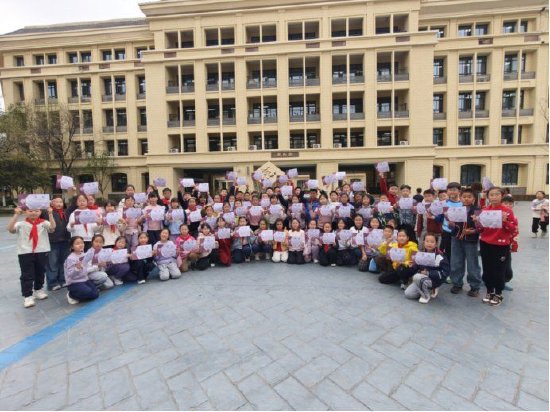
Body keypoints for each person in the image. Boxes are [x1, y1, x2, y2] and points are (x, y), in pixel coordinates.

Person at [474, 186, 518, 306]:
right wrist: (477, 222)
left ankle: (498, 293)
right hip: (485, 243)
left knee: (499, 269)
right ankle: (489, 291)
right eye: (491, 195)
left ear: (502, 196)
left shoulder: (507, 211)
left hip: (501, 245)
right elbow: (480, 229)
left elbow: (513, 229)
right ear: (488, 197)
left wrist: (505, 221)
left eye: (497, 194)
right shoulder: (484, 210)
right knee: (487, 268)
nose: (494, 197)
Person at [8, 205, 56, 308]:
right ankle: (28, 296)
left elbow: (52, 228)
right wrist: (16, 214)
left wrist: (50, 214)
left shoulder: (44, 223)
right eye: (30, 211)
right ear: (25, 212)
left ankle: (38, 289)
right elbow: (10, 229)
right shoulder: (21, 224)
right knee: (27, 274)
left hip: (42, 250)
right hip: (25, 252)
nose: (33, 213)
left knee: (40, 271)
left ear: (40, 212)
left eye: (36, 210)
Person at [449, 188, 482, 297]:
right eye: (464, 197)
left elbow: (480, 227)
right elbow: (452, 226)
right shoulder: (456, 209)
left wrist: (473, 231)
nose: (466, 199)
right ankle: (457, 283)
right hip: (456, 239)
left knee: (472, 264)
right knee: (456, 262)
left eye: (469, 197)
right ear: (460, 198)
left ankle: (475, 286)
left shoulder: (477, 210)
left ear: (474, 199)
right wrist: (451, 224)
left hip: (471, 240)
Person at [404, 233, 449, 304]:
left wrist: (428, 273)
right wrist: (411, 266)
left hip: (434, 280)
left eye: (432, 242)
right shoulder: (420, 254)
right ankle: (427, 289)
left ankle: (426, 296)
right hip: (421, 278)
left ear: (436, 243)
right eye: (427, 241)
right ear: (423, 242)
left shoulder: (440, 256)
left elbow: (445, 273)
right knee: (408, 294)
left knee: (417, 277)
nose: (429, 244)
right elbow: (415, 268)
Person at [64, 236, 100, 305]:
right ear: (72, 247)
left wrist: (97, 265)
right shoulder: (70, 258)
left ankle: (82, 292)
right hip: (74, 282)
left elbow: (87, 268)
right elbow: (70, 275)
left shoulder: (84, 255)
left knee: (96, 294)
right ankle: (71, 295)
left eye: (82, 243)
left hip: (84, 280)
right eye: (77, 243)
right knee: (88, 292)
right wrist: (77, 268)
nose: (81, 245)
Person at [44, 195, 69, 291]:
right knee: (52, 263)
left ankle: (63, 280)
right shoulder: (47, 213)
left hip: (65, 241)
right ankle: (52, 283)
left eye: (61, 202)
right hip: (52, 242)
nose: (59, 204)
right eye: (56, 202)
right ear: (51, 203)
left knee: (64, 262)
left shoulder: (65, 212)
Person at [502, 195, 519, 291]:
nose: (508, 205)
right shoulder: (496, 214)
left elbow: (515, 231)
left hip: (507, 244)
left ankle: (504, 281)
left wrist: (514, 244)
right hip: (494, 243)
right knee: (491, 263)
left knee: (506, 264)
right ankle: (487, 279)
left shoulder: (514, 217)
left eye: (510, 204)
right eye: (505, 203)